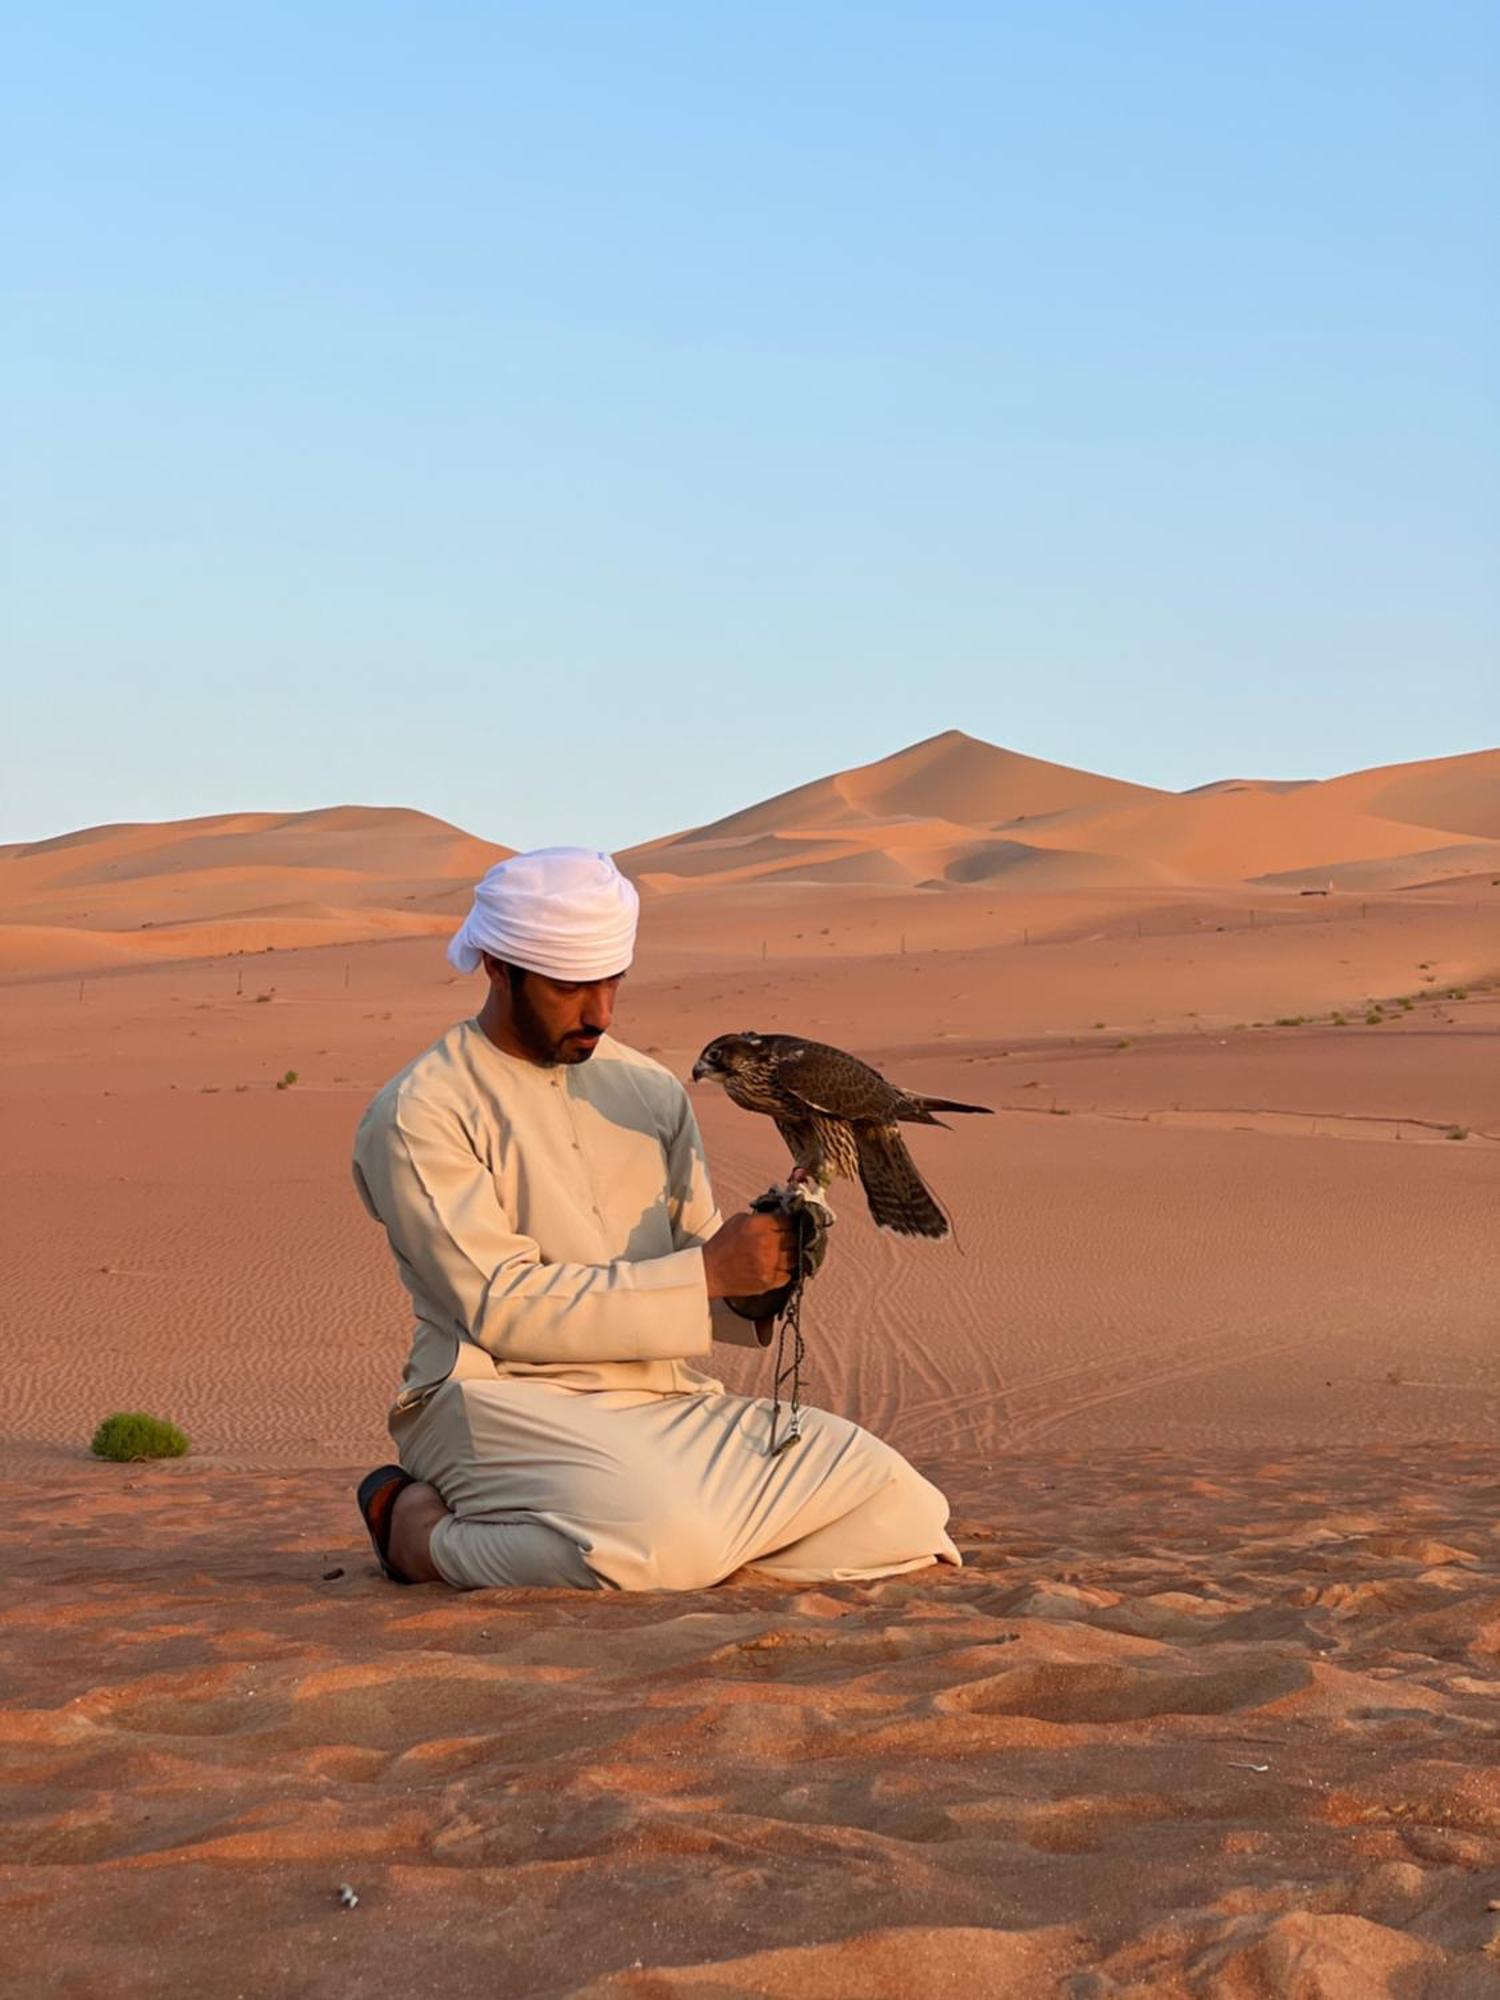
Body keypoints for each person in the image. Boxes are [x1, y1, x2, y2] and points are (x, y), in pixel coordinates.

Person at [351, 846, 961, 1593]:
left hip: (661, 1400)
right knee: (658, 1543)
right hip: (496, 1400)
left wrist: (763, 1271)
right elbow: (499, 1308)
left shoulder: (648, 1089)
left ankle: (677, 1532)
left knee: (904, 1509)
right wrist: (707, 1271)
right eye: (571, 986)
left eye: (612, 980)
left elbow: (706, 1276)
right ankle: (417, 1531)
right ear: (500, 969)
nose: (599, 1013)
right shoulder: (423, 1112)